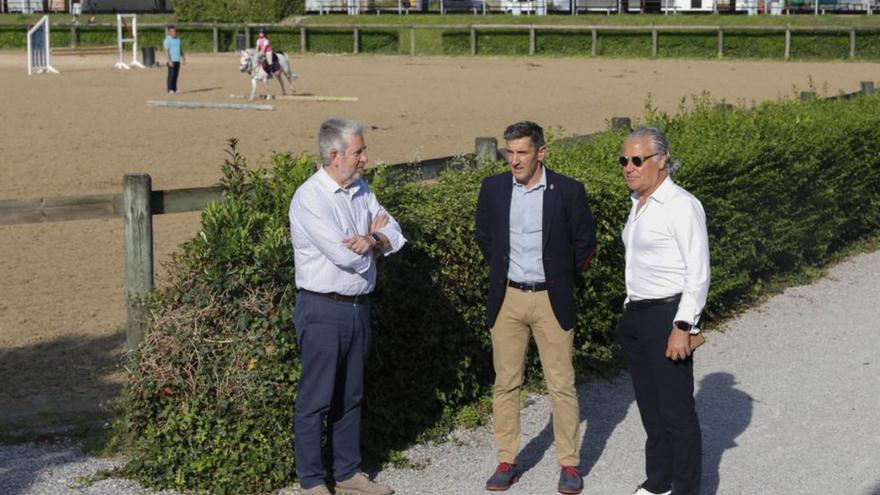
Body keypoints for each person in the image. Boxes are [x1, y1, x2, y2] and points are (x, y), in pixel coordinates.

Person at [475, 121, 597, 495]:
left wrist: (561, 276)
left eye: (522, 152)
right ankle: (507, 460)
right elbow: (485, 236)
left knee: (561, 384)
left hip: (551, 298)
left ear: (541, 152)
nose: (514, 160)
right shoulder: (493, 189)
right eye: (509, 153)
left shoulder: (568, 191)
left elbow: (585, 242)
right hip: (507, 297)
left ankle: (569, 465)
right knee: (506, 383)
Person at [289, 118, 406, 495]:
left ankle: (347, 473)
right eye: (358, 152)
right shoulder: (310, 198)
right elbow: (346, 258)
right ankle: (311, 481)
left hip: (358, 306)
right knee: (316, 398)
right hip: (322, 309)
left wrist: (371, 237)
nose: (365, 158)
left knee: (351, 395)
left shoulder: (361, 189)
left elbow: (397, 234)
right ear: (334, 155)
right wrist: (376, 243)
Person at [616, 127, 710, 495]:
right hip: (637, 316)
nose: (629, 167)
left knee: (676, 415)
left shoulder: (681, 205)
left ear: (662, 161)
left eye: (637, 160)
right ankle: (658, 484)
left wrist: (683, 326)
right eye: (624, 160)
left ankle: (685, 489)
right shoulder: (637, 201)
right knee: (652, 412)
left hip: (668, 316)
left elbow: (698, 272)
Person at [163, 25, 184, 95]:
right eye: (172, 31)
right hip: (171, 61)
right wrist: (169, 60)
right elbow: (166, 51)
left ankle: (175, 89)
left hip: (177, 60)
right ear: (169, 32)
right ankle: (170, 89)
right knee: (171, 75)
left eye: (174, 31)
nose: (174, 33)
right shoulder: (167, 40)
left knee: (175, 75)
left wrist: (183, 57)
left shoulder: (178, 39)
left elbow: (180, 49)